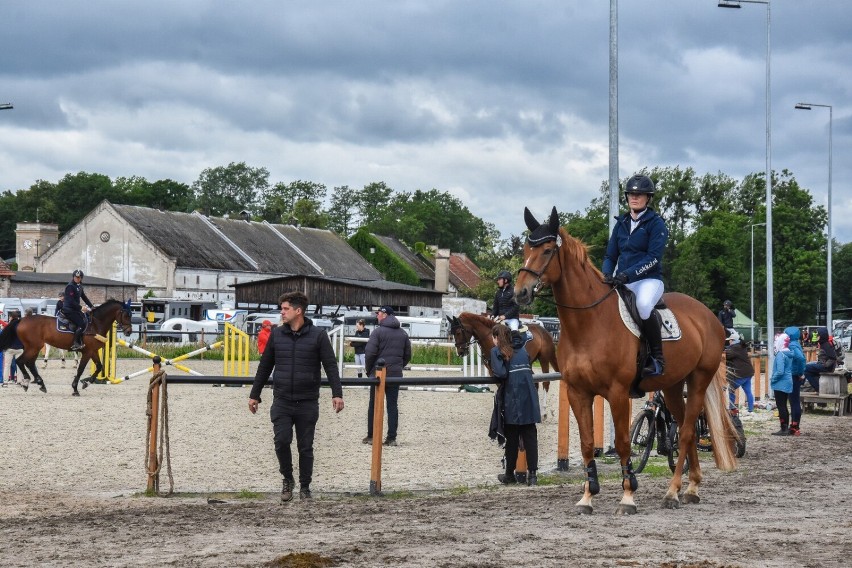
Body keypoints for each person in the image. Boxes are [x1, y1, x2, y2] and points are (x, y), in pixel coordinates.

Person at [248, 291, 344, 503]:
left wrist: (337, 394)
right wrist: (255, 394)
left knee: (305, 446)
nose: (281, 313)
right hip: (281, 399)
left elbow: (330, 365)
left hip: (307, 401)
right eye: (281, 309)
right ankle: (287, 479)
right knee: (281, 442)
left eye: (285, 309)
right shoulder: (276, 335)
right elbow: (265, 366)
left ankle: (305, 486)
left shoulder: (318, 335)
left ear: (298, 311)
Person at [601, 174, 670, 394]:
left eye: (639, 194)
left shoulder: (656, 223)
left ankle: (657, 357)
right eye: (631, 194)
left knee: (642, 306)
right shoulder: (621, 224)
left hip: (648, 280)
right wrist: (605, 275)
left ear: (648, 198)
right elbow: (611, 255)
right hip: (623, 280)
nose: (634, 197)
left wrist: (627, 275)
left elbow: (653, 257)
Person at [490, 324, 541, 486]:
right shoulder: (523, 349)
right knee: (530, 436)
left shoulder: (497, 351)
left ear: (497, 338)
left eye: (493, 338)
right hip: (530, 396)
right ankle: (532, 475)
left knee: (512, 438)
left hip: (513, 398)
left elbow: (501, 373)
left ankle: (509, 474)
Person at [363, 306, 411, 447]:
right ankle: (391, 437)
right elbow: (407, 355)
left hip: (378, 374)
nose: (377, 316)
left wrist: (369, 370)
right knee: (392, 405)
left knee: (374, 405)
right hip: (395, 374)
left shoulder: (377, 332)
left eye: (378, 313)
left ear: (384, 314)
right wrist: (398, 367)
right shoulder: (403, 333)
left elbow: (370, 353)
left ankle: (372, 436)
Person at [63, 269, 94, 351]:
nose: (77, 279)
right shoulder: (70, 286)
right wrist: (81, 307)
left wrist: (92, 306)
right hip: (69, 309)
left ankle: (82, 340)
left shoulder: (79, 286)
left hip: (75, 309)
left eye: (79, 277)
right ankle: (75, 343)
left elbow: (84, 297)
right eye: (76, 277)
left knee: (86, 319)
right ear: (73, 277)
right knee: (82, 323)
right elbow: (71, 301)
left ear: (81, 278)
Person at [784, 326, 807, 436]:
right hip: (794, 375)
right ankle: (794, 425)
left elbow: (801, 359)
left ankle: (794, 426)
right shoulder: (796, 343)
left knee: (794, 402)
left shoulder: (792, 345)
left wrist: (800, 373)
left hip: (794, 376)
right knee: (794, 401)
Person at [725, 331, 755, 414]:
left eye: (730, 340)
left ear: (733, 340)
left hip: (742, 374)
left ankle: (732, 408)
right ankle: (751, 409)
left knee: (731, 389)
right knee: (748, 391)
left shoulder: (734, 348)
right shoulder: (741, 346)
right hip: (748, 372)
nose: (729, 341)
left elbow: (727, 355)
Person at [770, 333, 794, 436]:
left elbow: (780, 371)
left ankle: (783, 429)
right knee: (784, 405)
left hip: (780, 383)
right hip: (788, 381)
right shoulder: (789, 353)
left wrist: (773, 379)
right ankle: (786, 428)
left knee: (781, 406)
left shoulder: (780, 354)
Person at [803, 327, 837, 394]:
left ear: (822, 336)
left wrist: (825, 366)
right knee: (808, 372)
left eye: (818, 335)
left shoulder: (826, 345)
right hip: (823, 365)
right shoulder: (823, 344)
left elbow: (833, 358)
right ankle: (818, 388)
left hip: (826, 367)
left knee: (805, 368)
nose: (816, 336)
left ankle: (818, 388)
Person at [2, 310, 24, 387]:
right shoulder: (21, 326)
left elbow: (4, 338)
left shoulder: (8, 326)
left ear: (11, 317)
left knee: (7, 366)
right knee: (20, 366)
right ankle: (19, 382)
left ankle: (5, 383)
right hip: (20, 349)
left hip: (10, 349)